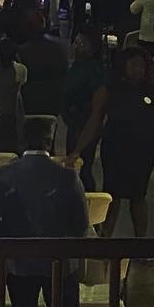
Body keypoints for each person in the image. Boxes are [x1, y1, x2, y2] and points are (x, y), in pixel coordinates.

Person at [0, 118, 89, 307]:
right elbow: (81, 224)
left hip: (19, 262)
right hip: (60, 261)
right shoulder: (68, 177)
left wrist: (11, 248)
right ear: (49, 143)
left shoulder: (3, 175)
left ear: (21, 142)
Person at [75, 46, 154, 238]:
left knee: (138, 197)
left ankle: (140, 243)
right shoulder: (108, 91)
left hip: (143, 151)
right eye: (134, 66)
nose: (138, 70)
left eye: (142, 66)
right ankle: (106, 240)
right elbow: (93, 123)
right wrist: (77, 150)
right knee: (112, 196)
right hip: (115, 149)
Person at [62, 29, 105, 191]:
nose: (77, 47)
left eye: (82, 44)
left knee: (82, 167)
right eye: (76, 42)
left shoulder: (95, 71)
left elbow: (96, 109)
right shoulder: (75, 67)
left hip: (85, 124)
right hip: (73, 123)